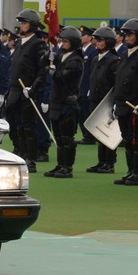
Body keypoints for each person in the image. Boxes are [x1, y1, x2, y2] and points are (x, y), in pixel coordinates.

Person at [111, 19, 138, 186]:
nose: (126, 38)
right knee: (127, 139)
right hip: (123, 105)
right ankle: (130, 171)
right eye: (125, 35)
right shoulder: (124, 55)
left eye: (130, 35)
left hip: (135, 106)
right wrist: (116, 101)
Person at [6, 9, 50, 172]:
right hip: (15, 90)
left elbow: (43, 70)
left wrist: (34, 87)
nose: (22, 25)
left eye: (25, 22)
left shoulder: (39, 44)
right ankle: (21, 155)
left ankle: (31, 160)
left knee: (29, 127)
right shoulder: (19, 43)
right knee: (18, 126)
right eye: (21, 22)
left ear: (33, 25)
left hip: (28, 92)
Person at [44, 26, 83, 178]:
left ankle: (67, 167)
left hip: (68, 102)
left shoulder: (76, 59)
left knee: (67, 138)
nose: (62, 44)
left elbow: (62, 77)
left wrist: (51, 70)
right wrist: (48, 56)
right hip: (57, 101)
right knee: (59, 137)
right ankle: (60, 164)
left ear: (73, 42)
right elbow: (45, 63)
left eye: (65, 41)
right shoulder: (62, 55)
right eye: (61, 41)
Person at [85, 26, 119, 174]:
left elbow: (115, 84)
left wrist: (114, 102)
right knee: (98, 132)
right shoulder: (95, 59)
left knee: (107, 132)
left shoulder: (113, 60)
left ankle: (109, 163)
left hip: (107, 102)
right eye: (96, 39)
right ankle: (101, 161)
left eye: (100, 40)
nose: (96, 42)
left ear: (109, 42)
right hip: (95, 99)